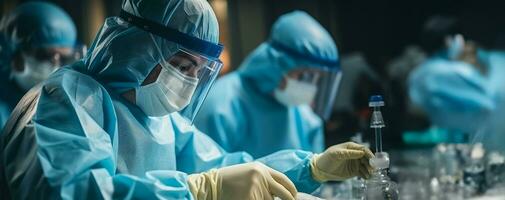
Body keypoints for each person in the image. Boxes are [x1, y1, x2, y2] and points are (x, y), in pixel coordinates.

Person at [0, 0, 374, 199]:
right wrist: (198, 191)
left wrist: (311, 169)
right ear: (135, 48)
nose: (188, 80)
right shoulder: (64, 100)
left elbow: (224, 166)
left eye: (199, 71)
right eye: (180, 64)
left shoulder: (159, 117)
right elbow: (71, 192)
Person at [195, 11, 341, 158]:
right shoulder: (220, 106)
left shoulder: (305, 118)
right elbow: (204, 174)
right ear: (277, 65)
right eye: (305, 75)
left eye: (318, 79)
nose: (311, 87)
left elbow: (316, 175)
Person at [408, 19, 505, 151]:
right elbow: (490, 102)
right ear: (448, 40)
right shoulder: (449, 72)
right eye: (461, 39)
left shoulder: (420, 74)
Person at [0, 2, 80, 129]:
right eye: (44, 55)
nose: (56, 66)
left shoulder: (70, 103)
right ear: (14, 57)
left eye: (64, 58)